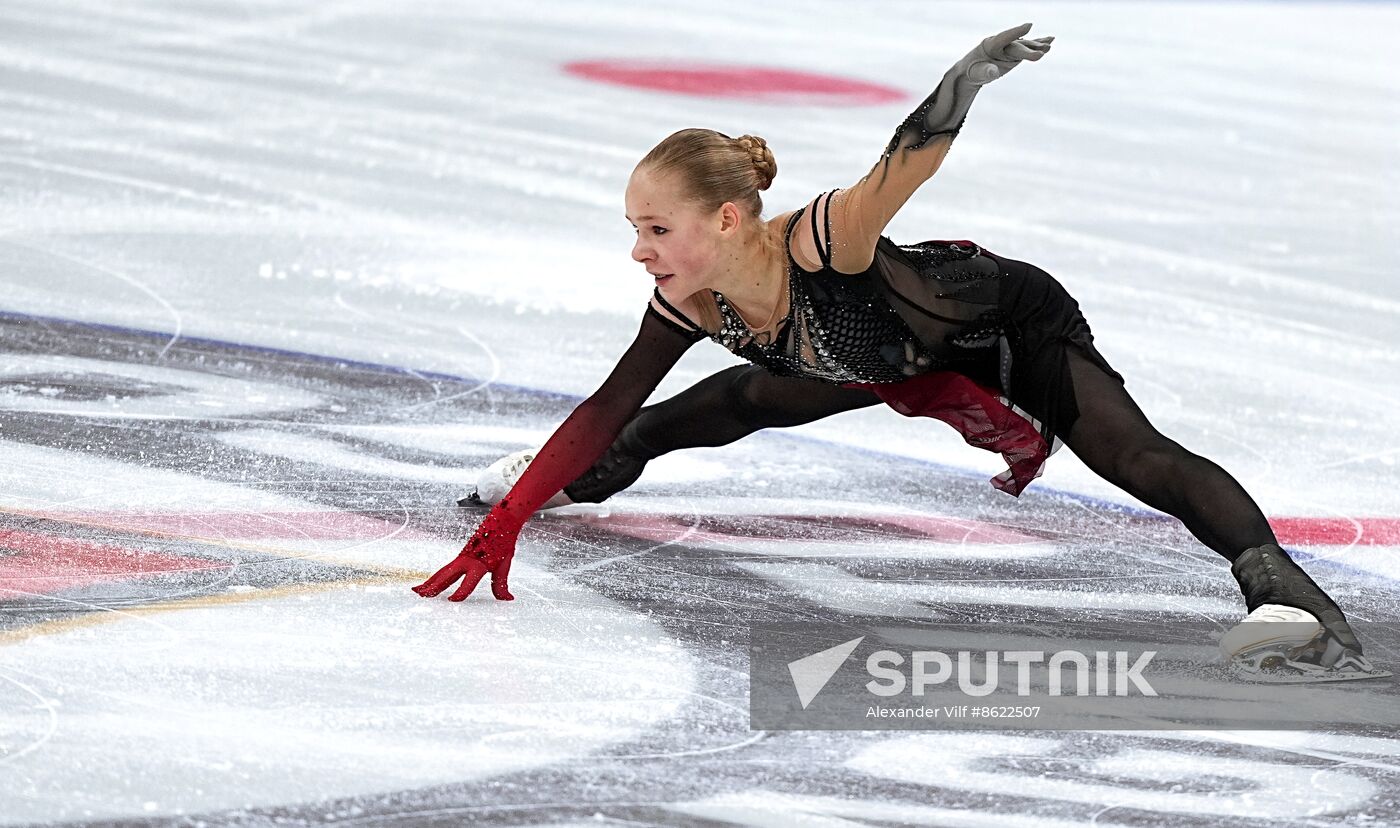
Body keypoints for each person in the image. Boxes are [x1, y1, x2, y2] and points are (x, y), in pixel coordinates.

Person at [414, 24, 1373, 672]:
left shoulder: (822, 239)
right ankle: (602, 478)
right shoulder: (692, 298)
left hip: (1004, 329)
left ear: (728, 216)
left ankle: (1284, 594)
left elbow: (901, 163)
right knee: (739, 399)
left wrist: (962, 83)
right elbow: (605, 403)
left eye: (657, 228)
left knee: (1134, 455)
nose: (639, 249)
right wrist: (525, 506)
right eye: (635, 227)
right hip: (882, 358)